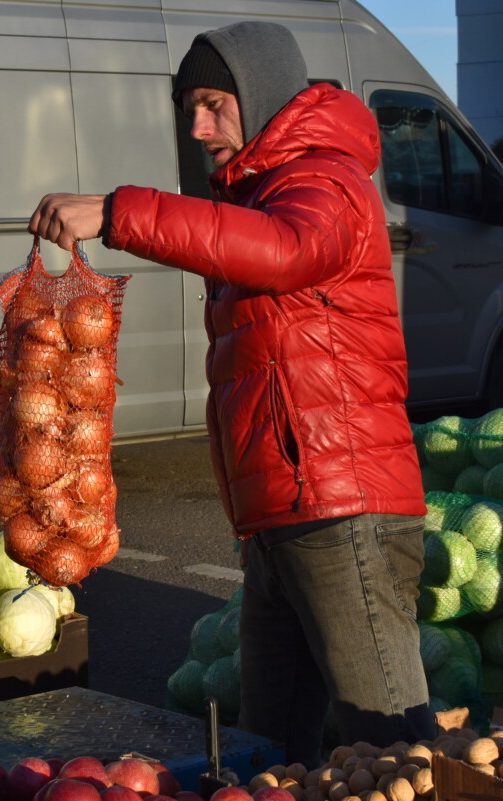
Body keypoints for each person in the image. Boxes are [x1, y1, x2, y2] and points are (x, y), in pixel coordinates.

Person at [28, 21, 432, 765]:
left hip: (342, 505)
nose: (198, 126)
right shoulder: (260, 188)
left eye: (214, 104)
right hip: (285, 512)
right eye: (190, 108)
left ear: (262, 93)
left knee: (394, 748)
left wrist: (120, 212)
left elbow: (287, 250)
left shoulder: (324, 180)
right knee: (266, 755)